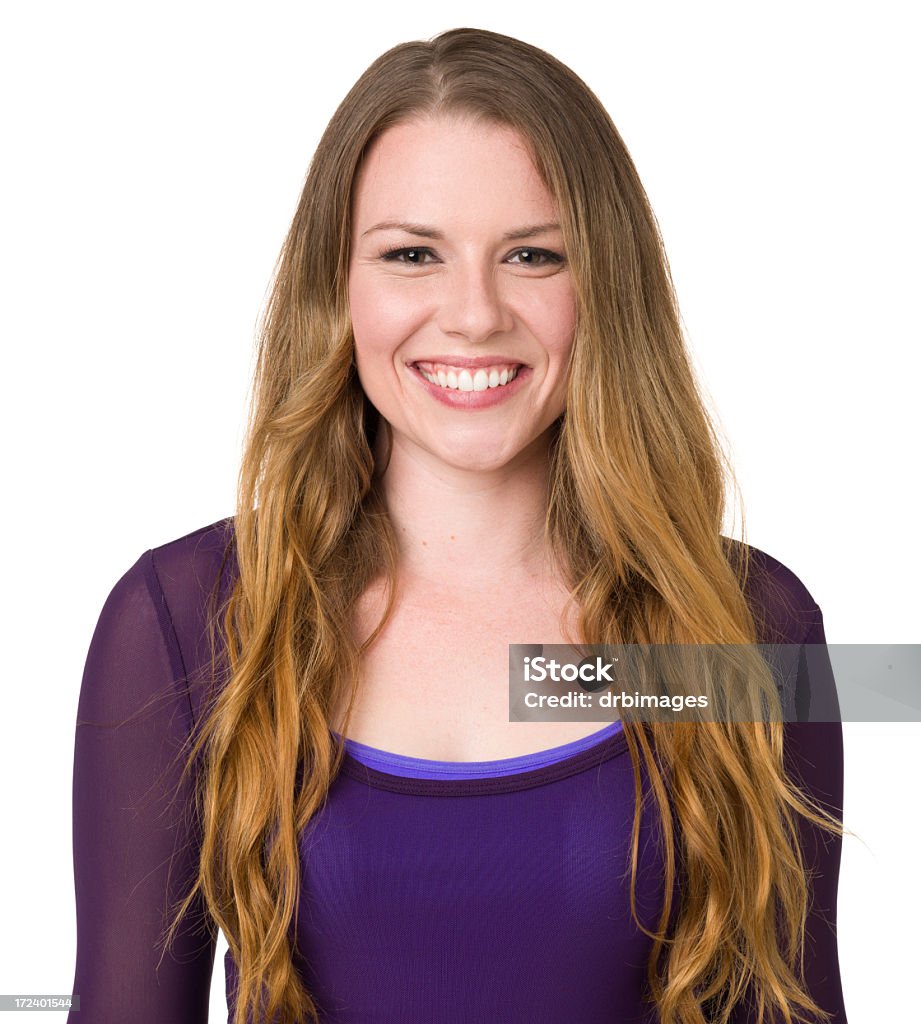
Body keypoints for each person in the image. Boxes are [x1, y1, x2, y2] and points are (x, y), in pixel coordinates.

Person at [68, 27, 847, 1024]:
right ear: (336, 287)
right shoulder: (181, 620)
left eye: (531, 254)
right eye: (412, 254)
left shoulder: (757, 623)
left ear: (604, 286)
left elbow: (798, 1006)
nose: (473, 313)